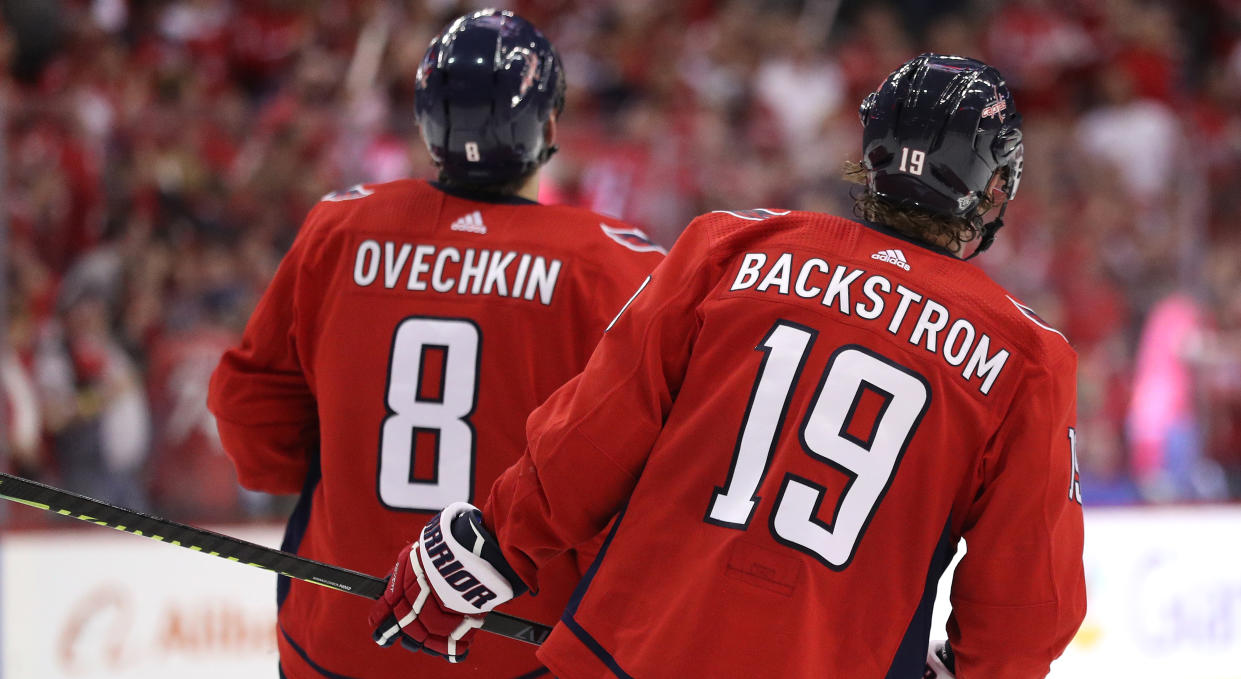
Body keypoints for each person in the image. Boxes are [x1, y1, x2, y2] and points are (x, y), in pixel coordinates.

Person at [369, 54, 1087, 678]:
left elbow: (589, 438)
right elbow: (1025, 609)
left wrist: (492, 545)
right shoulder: (1024, 357)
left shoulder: (730, 249)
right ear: (993, 187)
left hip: (633, 653)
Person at [208, 10, 663, 679]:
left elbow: (251, 414)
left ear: (427, 122)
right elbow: (646, 486)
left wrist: (345, 478)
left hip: (338, 638)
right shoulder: (614, 266)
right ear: (552, 125)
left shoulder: (340, 229)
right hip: (518, 645)